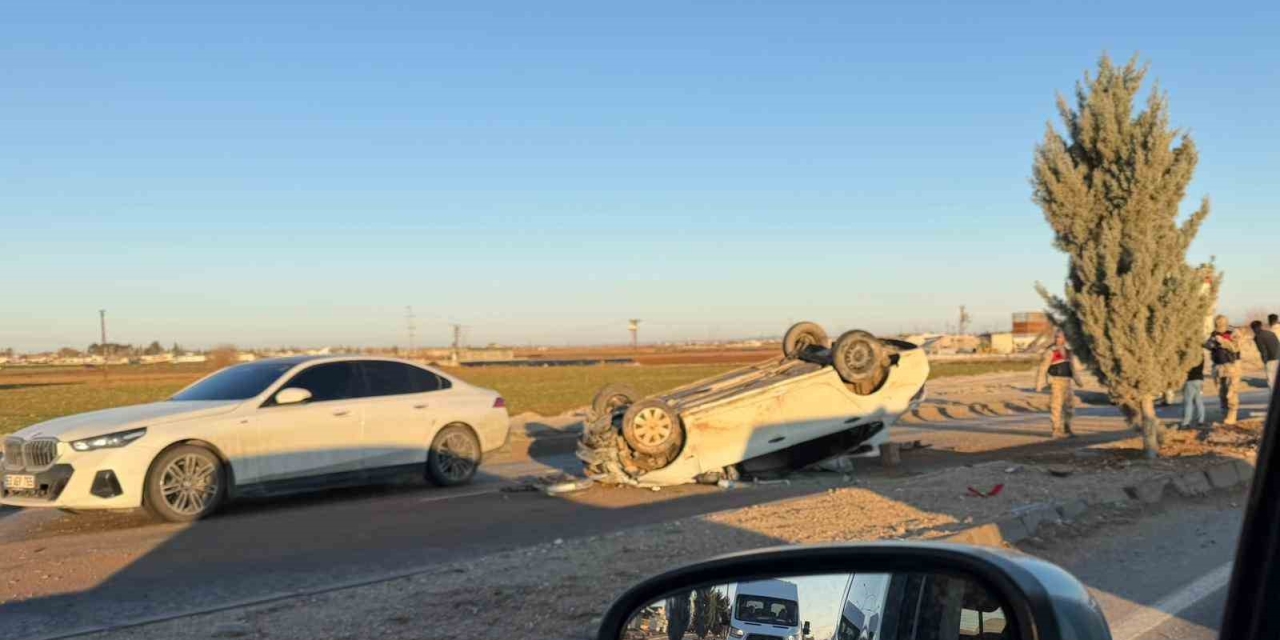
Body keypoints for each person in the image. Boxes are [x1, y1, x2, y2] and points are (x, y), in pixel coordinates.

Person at [1036, 330, 1084, 438]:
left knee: (1070, 406)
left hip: (1067, 382)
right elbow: (1043, 368)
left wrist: (1078, 381)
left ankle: (1067, 428)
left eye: (1060, 337)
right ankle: (1056, 430)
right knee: (1056, 406)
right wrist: (1039, 384)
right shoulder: (1051, 352)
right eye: (1056, 337)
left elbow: (1073, 368)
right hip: (1056, 382)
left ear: (1064, 339)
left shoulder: (1069, 352)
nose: (1057, 339)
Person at [1205, 315, 1242, 425]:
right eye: (1217, 326)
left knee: (1231, 392)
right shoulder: (1214, 333)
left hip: (1231, 365)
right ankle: (1224, 415)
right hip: (1218, 366)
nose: (1219, 328)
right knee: (1221, 392)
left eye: (1220, 325)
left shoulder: (1233, 332)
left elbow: (1236, 347)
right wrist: (1209, 344)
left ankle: (1232, 416)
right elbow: (1209, 346)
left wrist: (1223, 342)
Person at [1180, 353, 1206, 429]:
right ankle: (1201, 421)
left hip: (1190, 380)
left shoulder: (1190, 355)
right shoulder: (1201, 356)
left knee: (1188, 402)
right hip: (1200, 380)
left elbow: (1185, 367)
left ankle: (1186, 422)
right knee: (1199, 401)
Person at [1251, 320, 1279, 390]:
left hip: (1270, 359)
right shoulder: (1270, 333)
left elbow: (1263, 350)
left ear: (1253, 328)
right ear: (1261, 326)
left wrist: (1265, 360)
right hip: (1278, 356)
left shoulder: (1258, 337)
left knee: (1271, 379)